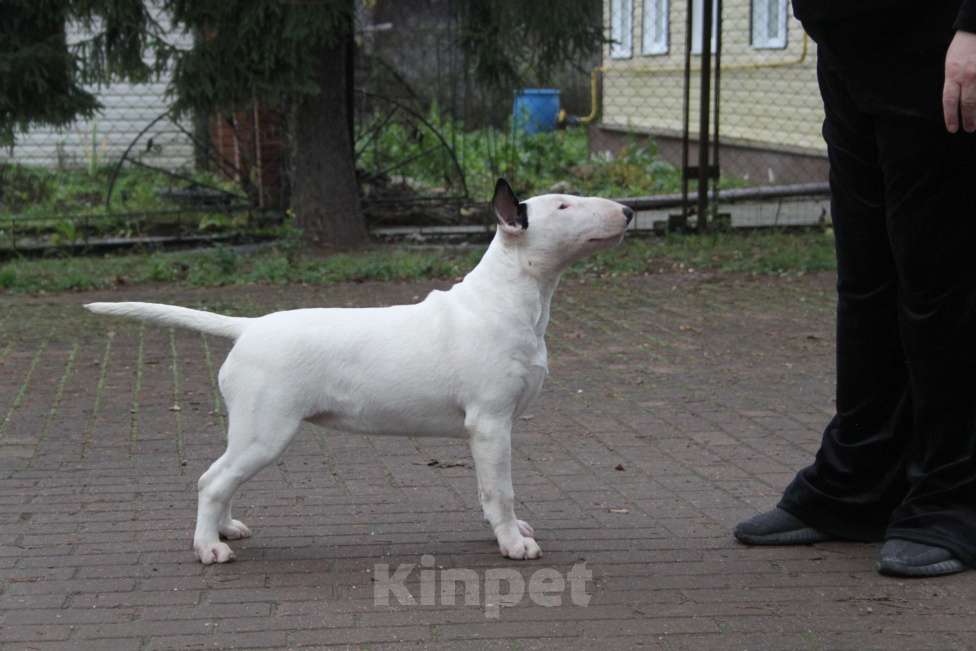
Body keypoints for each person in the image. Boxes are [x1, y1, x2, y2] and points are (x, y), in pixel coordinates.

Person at [734, 1, 976, 578]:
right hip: (847, 47)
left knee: (942, 285)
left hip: (936, 45)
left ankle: (954, 498)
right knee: (867, 282)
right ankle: (860, 482)